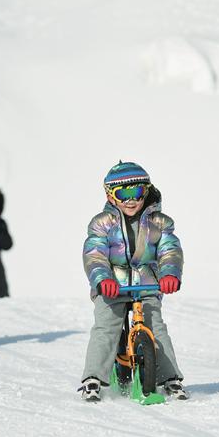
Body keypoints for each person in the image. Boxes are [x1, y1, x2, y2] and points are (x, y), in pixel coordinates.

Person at [79, 162, 186, 402]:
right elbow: (94, 254)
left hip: (147, 284)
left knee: (155, 328)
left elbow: (170, 251)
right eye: (123, 194)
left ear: (146, 191)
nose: (130, 200)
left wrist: (170, 274)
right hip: (113, 286)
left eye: (136, 193)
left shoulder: (160, 222)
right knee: (106, 327)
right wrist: (102, 279)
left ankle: (171, 379)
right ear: (110, 195)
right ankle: (93, 378)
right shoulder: (102, 223)